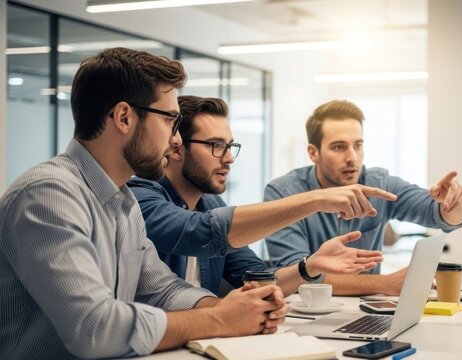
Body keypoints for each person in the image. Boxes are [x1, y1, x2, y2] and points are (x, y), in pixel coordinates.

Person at [0, 48, 290, 359]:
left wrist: (233, 309)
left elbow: (161, 289)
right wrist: (219, 319)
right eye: (170, 121)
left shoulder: (123, 201)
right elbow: (94, 329)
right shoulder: (48, 195)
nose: (176, 140)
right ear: (124, 117)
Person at [128, 95, 392, 296]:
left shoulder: (209, 203)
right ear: (176, 149)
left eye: (230, 146)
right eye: (216, 146)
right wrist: (317, 199)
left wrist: (309, 267)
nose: (230, 158)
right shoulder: (139, 198)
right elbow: (200, 231)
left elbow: (260, 277)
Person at [264, 99, 462, 295]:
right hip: (303, 316)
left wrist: (454, 202)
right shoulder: (284, 193)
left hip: (367, 314)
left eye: (358, 145)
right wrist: (386, 284)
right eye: (339, 147)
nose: (352, 158)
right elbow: (295, 274)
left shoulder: (379, 184)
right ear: (313, 152)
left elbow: (442, 216)